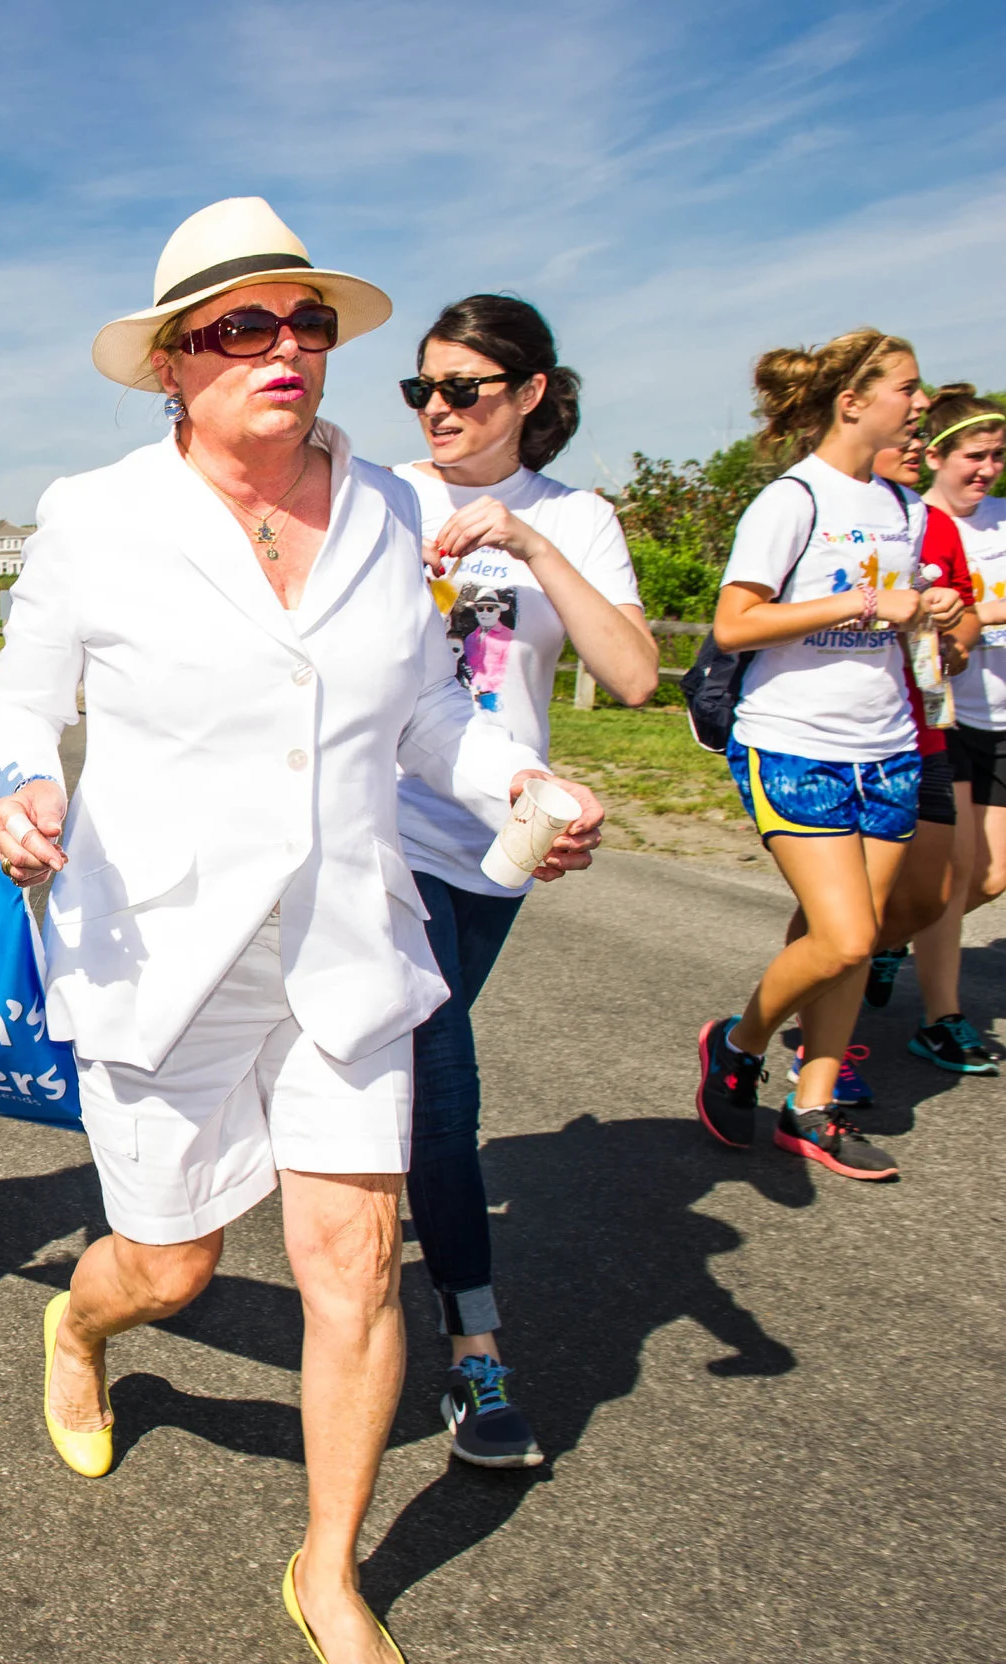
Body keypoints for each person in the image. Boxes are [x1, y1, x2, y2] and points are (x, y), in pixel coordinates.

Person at [0, 197, 602, 1664]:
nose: (288, 348)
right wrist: (17, 786)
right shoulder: (95, 514)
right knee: (173, 1266)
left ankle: (328, 1569)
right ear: (173, 364)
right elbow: (20, 701)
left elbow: (428, 711)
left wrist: (518, 774)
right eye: (245, 326)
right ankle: (80, 1332)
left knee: (353, 1258)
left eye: (307, 321)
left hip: (345, 938)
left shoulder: (393, 507)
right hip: (159, 941)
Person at [389, 295, 658, 1470]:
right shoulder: (380, 497)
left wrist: (530, 543)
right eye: (423, 389)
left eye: (466, 388)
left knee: (402, 1077)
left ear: (532, 392)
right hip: (375, 831)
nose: (439, 409)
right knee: (442, 1084)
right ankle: (474, 1350)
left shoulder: (575, 518)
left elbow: (637, 675)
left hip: (498, 843)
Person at [693, 330, 949, 1183]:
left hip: (887, 746)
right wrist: (869, 601)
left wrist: (928, 608)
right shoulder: (793, 500)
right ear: (853, 401)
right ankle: (737, 1044)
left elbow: (891, 620)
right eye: (906, 388)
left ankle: (813, 1107)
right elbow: (736, 623)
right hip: (795, 742)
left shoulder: (907, 509)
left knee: (857, 937)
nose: (919, 405)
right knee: (842, 939)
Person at [841, 424, 980, 1080]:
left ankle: (836, 983)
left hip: (925, 730)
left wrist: (954, 623)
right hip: (843, 732)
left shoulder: (937, 526)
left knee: (933, 894)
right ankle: (816, 1061)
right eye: (911, 427)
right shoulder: (828, 510)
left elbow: (966, 625)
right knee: (847, 916)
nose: (918, 440)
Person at [912, 388, 1006, 1066]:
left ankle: (893, 937)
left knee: (992, 879)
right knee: (960, 867)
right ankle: (941, 1015)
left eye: (999, 456)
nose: (989, 469)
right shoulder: (916, 524)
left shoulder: (1003, 522)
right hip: (951, 717)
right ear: (936, 455)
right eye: (975, 455)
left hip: (1003, 716)